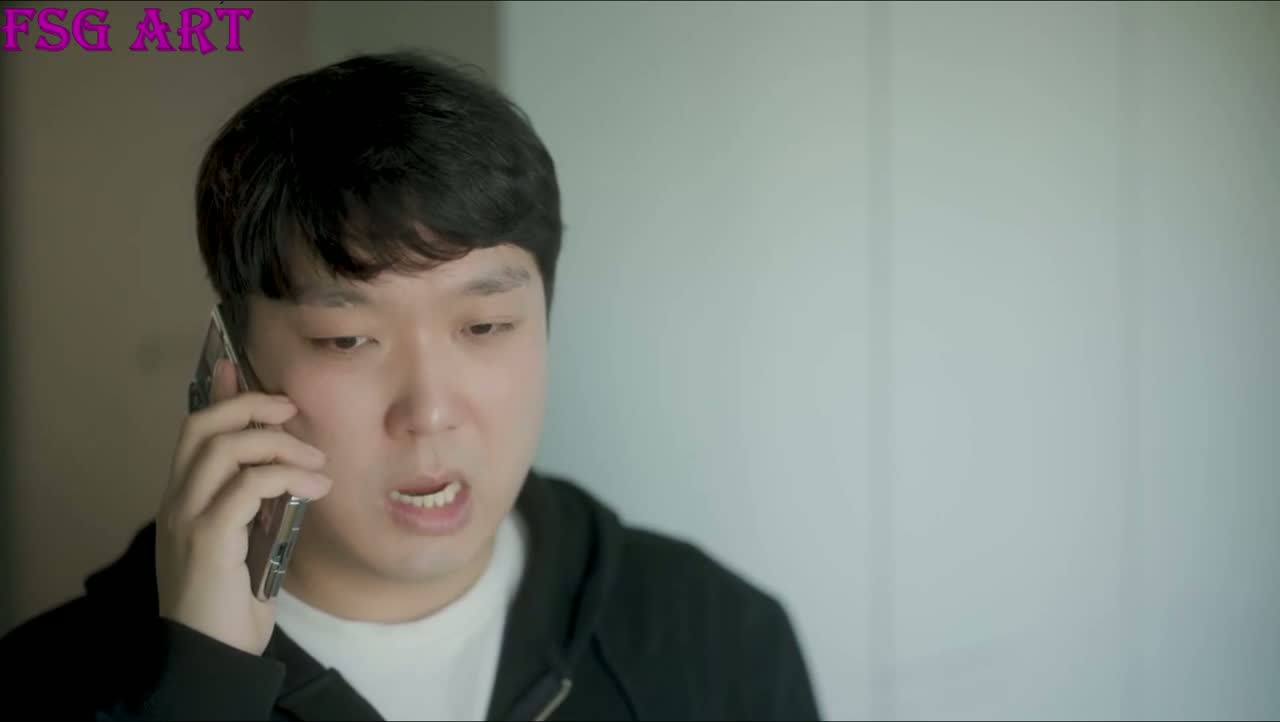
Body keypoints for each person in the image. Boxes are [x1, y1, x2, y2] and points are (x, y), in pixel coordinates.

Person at [0, 50, 821, 721]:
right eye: (347, 339)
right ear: (233, 365)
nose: (429, 412)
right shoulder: (46, 686)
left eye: (485, 327)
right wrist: (200, 693)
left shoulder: (719, 637)